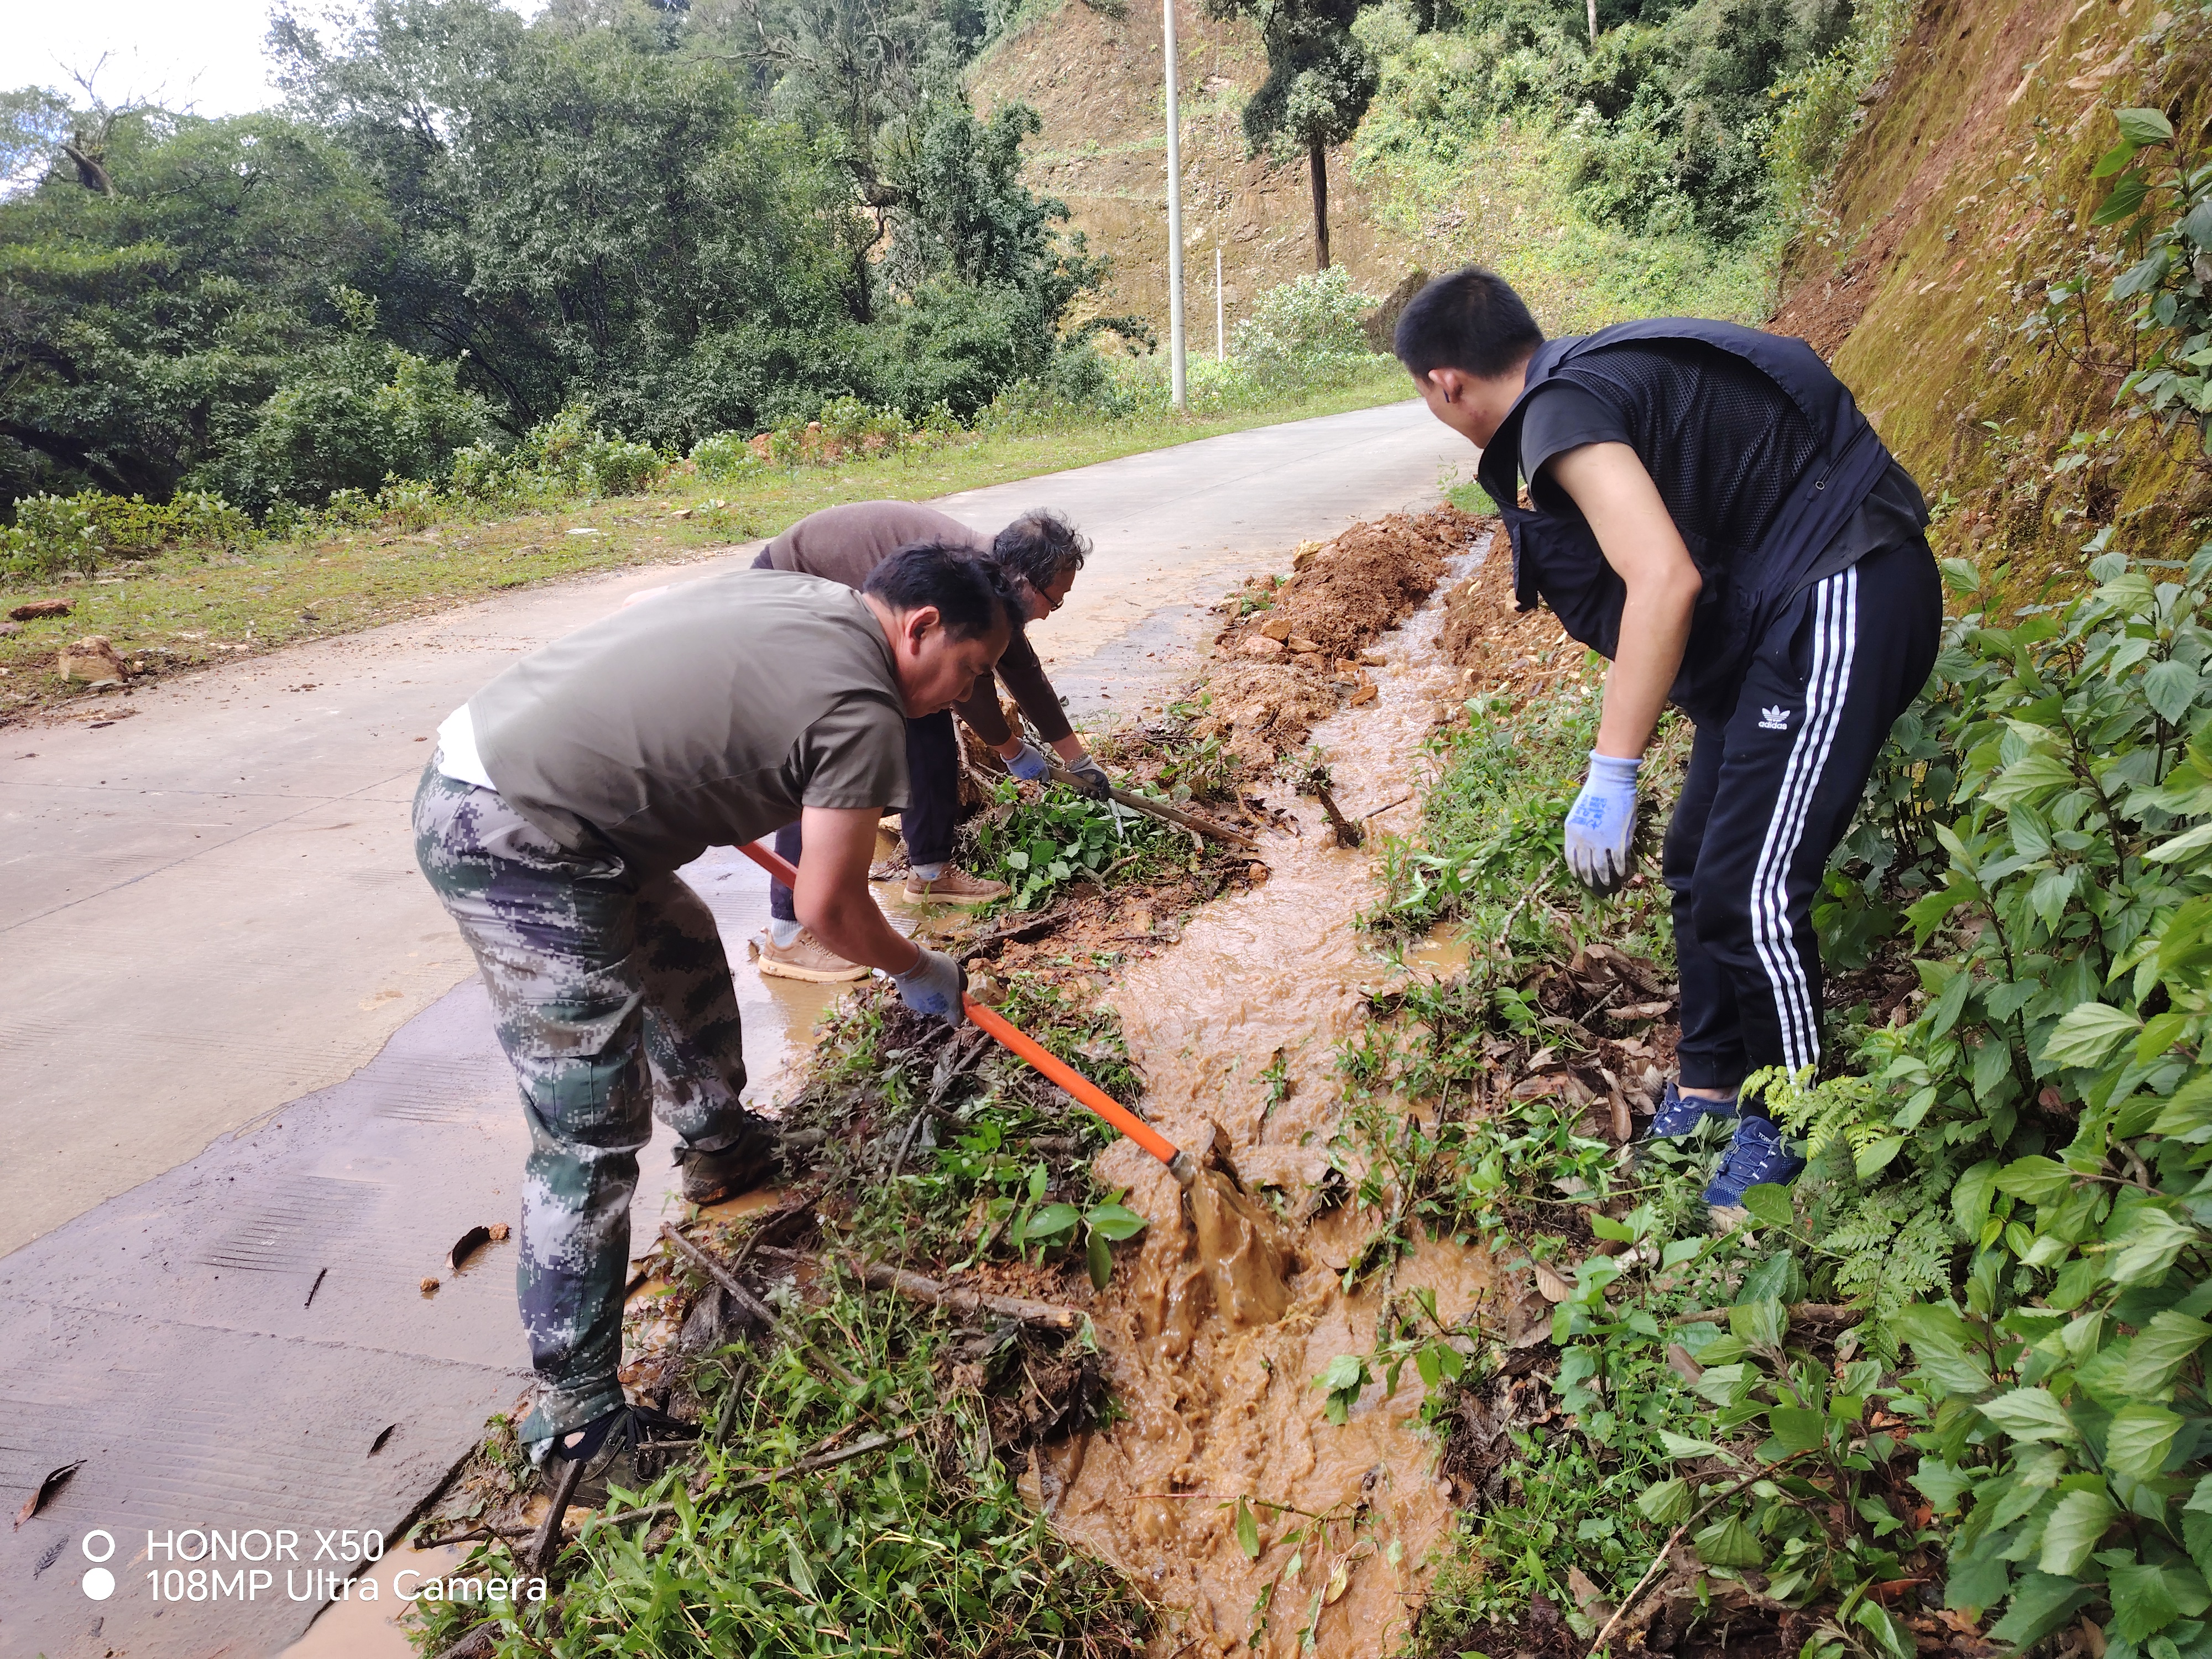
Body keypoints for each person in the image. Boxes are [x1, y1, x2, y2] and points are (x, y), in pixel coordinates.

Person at [412, 543, 1010, 1467]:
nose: (963, 696)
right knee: (589, 1121)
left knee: (681, 949)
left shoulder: (811, 600)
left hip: (519, 778)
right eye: (968, 670)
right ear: (922, 627)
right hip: (515, 830)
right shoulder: (864, 706)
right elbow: (830, 907)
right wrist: (917, 965)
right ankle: (573, 1422)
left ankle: (722, 1146)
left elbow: (677, 653)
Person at [1395, 266, 1942, 1208]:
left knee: (1751, 888)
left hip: (1844, 591)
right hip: (1788, 609)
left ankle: (1796, 1123)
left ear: (1447, 383)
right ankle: (1714, 1081)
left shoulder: (1558, 413)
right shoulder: (1582, 383)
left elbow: (1664, 580)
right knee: (1697, 857)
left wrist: (1612, 769)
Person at [750, 501, 1110, 982]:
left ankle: (929, 872)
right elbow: (971, 687)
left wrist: (1077, 760)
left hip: (852, 594)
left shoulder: (994, 581)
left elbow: (1022, 671)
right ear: (1025, 582)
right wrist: (1010, 750)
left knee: (929, 710)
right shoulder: (971, 589)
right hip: (794, 587)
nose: (1049, 615)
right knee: (824, 752)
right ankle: (788, 933)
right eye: (1054, 601)